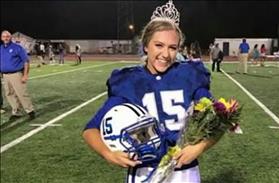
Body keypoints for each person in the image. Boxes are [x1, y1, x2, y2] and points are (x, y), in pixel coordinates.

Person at [82, 2, 216, 182]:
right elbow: (91, 129)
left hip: (184, 171)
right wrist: (108, 153)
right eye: (159, 45)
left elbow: (218, 120)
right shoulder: (129, 81)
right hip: (143, 173)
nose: (166, 54)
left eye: (172, 47)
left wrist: (198, 148)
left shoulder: (189, 75)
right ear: (146, 46)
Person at [0, 30, 35, 120]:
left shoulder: (17, 48)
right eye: (4, 36)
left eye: (7, 36)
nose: (6, 38)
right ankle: (16, 112)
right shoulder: (1, 48)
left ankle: (30, 111)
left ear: (11, 37)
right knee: (9, 94)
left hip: (16, 74)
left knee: (21, 93)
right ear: (1, 38)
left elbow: (26, 61)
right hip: (5, 75)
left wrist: (25, 75)